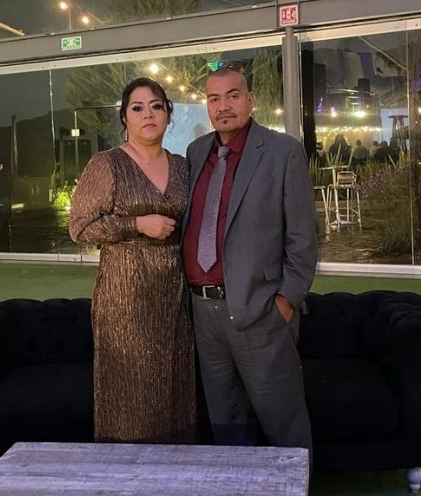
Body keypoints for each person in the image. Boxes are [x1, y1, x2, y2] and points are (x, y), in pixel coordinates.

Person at [183, 67, 318, 449]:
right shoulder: (196, 152)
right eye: (214, 98)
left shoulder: (282, 151)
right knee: (226, 424)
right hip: (203, 313)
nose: (223, 106)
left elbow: (303, 237)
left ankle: (295, 481)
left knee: (284, 425)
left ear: (250, 100)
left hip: (260, 311)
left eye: (233, 95)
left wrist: (285, 301)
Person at [69, 77, 195, 444]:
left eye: (156, 106)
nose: (148, 115)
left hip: (174, 295)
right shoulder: (107, 163)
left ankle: (174, 463)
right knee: (131, 392)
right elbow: (79, 228)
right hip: (125, 296)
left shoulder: (182, 166)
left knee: (174, 383)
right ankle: (125, 464)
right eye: (137, 108)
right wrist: (137, 224)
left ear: (168, 114)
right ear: (124, 117)